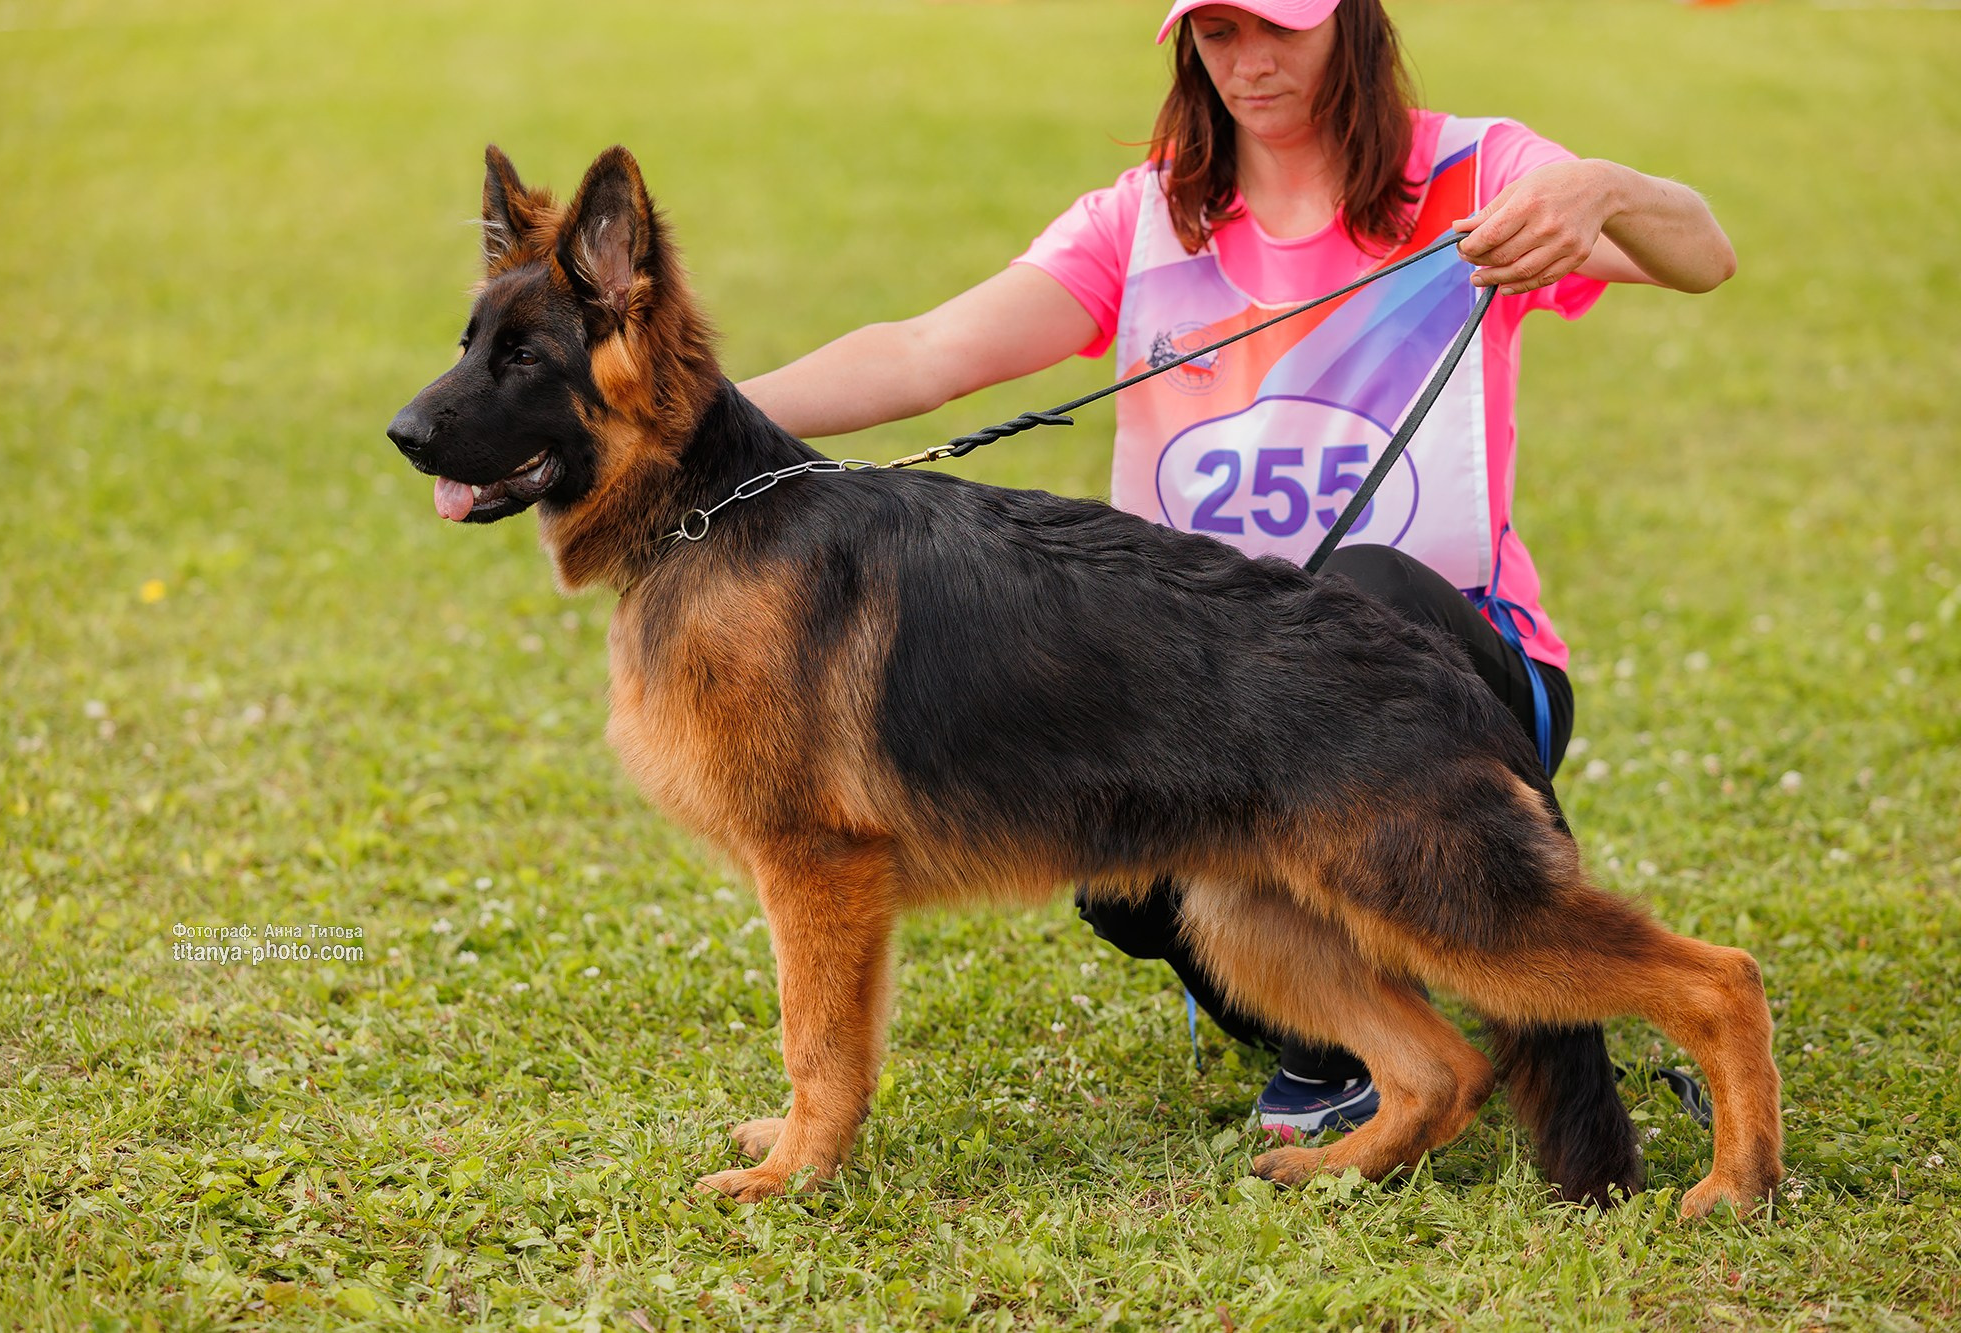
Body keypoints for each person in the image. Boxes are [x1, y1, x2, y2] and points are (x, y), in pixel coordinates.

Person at [737, 0, 1735, 1141]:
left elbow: (1702, 255)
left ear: (1350, 27)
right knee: (1116, 819)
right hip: (1214, 682)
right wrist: (696, 416)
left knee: (1366, 588)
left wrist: (1600, 187)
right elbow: (926, 352)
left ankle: (1498, 989)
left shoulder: (1478, 176)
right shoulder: (1148, 217)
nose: (1249, 66)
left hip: (1444, 667)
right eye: (1216, 36)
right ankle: (1344, 1041)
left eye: (1279, 30)